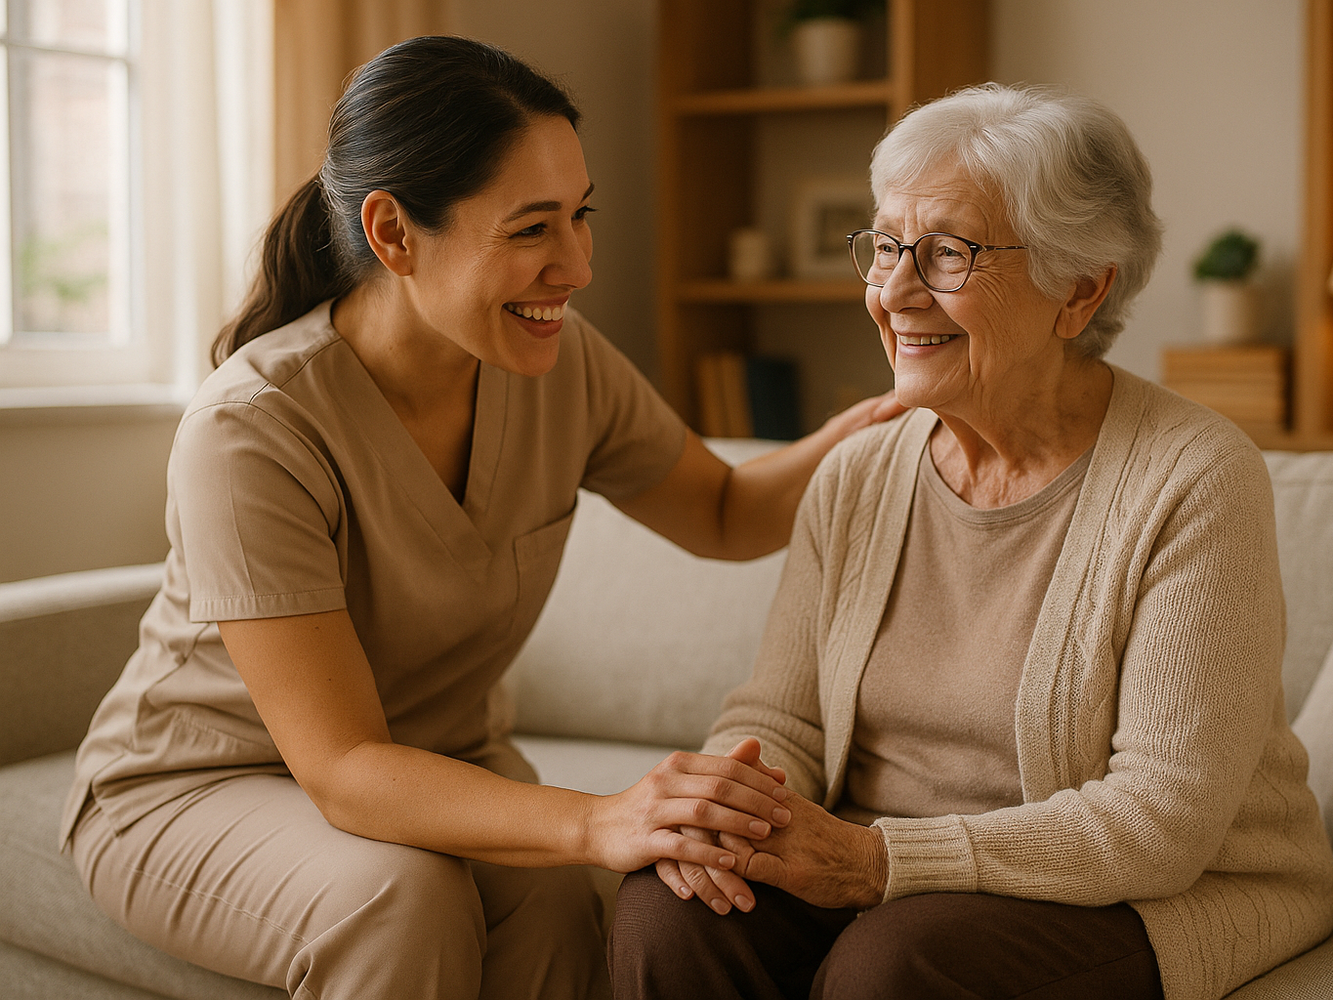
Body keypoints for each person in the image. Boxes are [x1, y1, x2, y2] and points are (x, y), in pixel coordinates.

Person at [60, 36, 900, 1000]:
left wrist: (884, 417)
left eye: (581, 217)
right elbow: (340, 766)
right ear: (393, 234)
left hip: (435, 762)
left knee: (558, 905)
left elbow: (722, 511)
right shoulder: (251, 431)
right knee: (399, 897)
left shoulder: (559, 366)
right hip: (199, 786)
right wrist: (595, 818)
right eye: (533, 229)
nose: (578, 265)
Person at [610, 84, 1333, 1000]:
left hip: (1132, 888)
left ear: (1080, 289)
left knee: (895, 966)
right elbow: (781, 716)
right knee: (669, 910)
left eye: (948, 254)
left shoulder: (1193, 478)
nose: (893, 292)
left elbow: (1160, 823)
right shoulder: (859, 472)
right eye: (884, 247)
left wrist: (878, 863)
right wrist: (732, 809)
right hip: (881, 857)